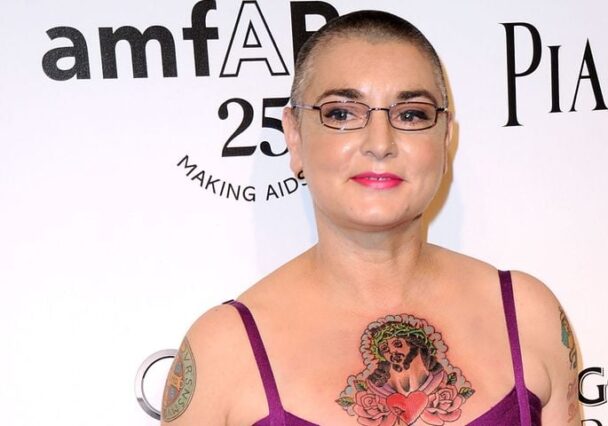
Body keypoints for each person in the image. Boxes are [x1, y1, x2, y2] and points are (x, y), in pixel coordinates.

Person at [161, 9, 581, 426]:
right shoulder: (223, 351)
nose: (380, 143)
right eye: (342, 114)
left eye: (411, 114)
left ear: (445, 138)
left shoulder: (528, 314)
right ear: (294, 135)